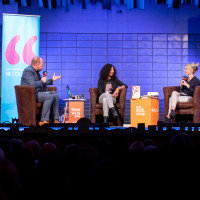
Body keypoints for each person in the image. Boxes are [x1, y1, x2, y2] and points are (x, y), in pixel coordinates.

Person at [21, 57, 61, 126]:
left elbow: (42, 82)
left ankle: (55, 119)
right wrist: (42, 81)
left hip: (37, 93)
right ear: (37, 64)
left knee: (55, 95)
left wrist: (52, 80)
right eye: (42, 64)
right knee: (49, 97)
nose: (43, 65)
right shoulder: (28, 71)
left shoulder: (36, 72)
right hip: (30, 95)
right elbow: (32, 85)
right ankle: (43, 120)